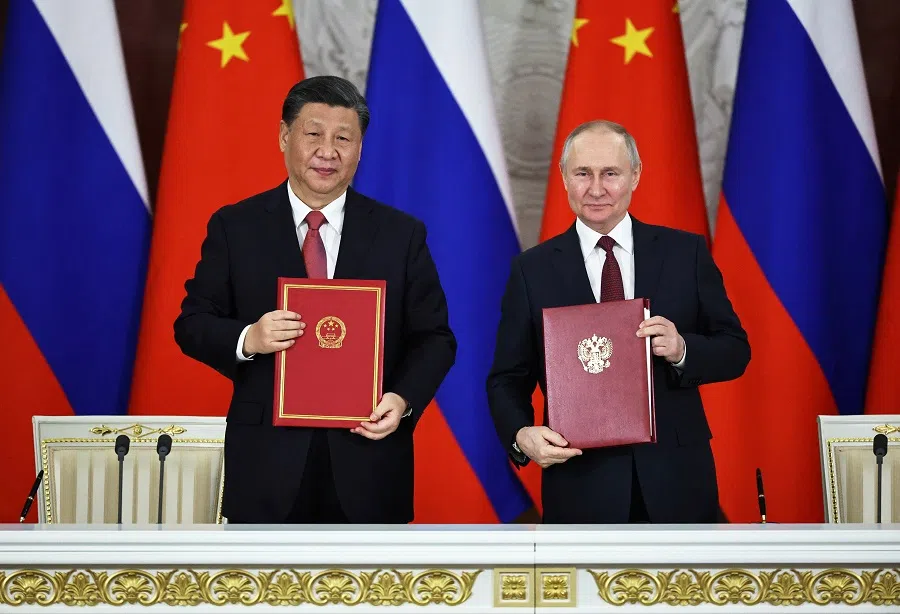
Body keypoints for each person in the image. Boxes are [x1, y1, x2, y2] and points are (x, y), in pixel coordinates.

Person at [174, 76, 456, 524]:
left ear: (360, 149)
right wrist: (250, 337)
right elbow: (191, 323)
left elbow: (435, 338)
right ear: (285, 137)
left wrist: (402, 400)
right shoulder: (236, 226)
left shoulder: (400, 234)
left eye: (344, 138)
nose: (329, 151)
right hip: (267, 462)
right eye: (313, 135)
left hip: (369, 458)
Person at [486, 120, 749, 524]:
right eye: (582, 174)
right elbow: (506, 378)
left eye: (610, 173)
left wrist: (682, 350)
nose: (596, 189)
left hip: (676, 480)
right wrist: (523, 435)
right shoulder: (531, 270)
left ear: (635, 176)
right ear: (563, 178)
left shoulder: (685, 253)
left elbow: (735, 349)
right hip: (580, 482)